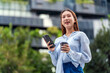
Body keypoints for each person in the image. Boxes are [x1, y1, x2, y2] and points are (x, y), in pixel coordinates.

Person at [46, 9, 92, 73]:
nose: (66, 18)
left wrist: (70, 52)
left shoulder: (80, 35)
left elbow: (87, 57)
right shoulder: (58, 40)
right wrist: (52, 51)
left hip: (75, 70)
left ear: (75, 20)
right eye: (63, 17)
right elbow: (55, 63)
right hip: (61, 70)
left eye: (69, 16)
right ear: (62, 22)